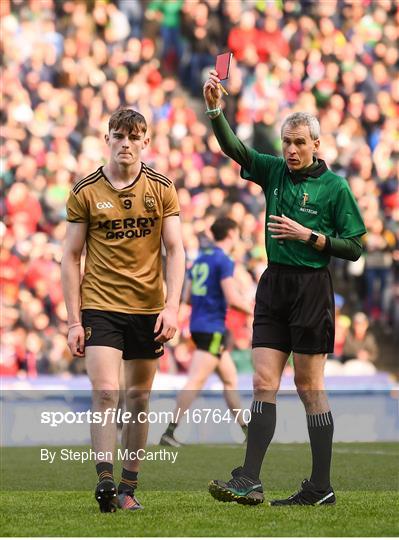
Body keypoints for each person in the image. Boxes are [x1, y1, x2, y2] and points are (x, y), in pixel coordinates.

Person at [203, 71, 367, 506]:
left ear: (316, 144)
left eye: (299, 143)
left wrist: (308, 236)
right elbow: (235, 148)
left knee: (309, 386)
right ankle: (250, 478)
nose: (291, 151)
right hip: (274, 284)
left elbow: (354, 246)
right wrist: (216, 110)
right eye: (286, 143)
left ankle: (320, 486)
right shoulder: (273, 171)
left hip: (312, 287)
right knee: (262, 382)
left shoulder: (335, 188)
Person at [61, 108, 185, 512]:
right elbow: (71, 255)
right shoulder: (85, 191)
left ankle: (128, 488)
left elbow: (176, 249)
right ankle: (104, 480)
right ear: (108, 138)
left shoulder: (162, 188)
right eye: (119, 136)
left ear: (146, 142)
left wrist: (172, 306)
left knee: (139, 399)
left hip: (148, 308)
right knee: (104, 392)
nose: (126, 144)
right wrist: (74, 320)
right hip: (100, 305)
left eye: (134, 137)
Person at [160, 217, 252, 447]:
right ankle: (169, 431)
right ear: (231, 233)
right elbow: (232, 298)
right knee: (196, 380)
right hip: (212, 327)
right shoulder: (224, 260)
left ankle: (248, 432)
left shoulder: (200, 259)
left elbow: (188, 296)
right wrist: (253, 309)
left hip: (200, 325)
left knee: (230, 379)